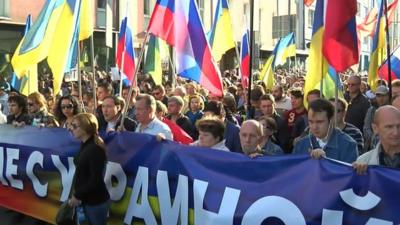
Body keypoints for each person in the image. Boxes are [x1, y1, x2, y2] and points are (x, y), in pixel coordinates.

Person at [68, 113, 110, 225]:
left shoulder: (95, 149)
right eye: (71, 125)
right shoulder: (85, 144)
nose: (71, 129)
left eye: (75, 126)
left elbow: (96, 180)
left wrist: (77, 195)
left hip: (95, 203)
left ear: (85, 128)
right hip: (87, 199)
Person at [293, 99, 358, 163]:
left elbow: (347, 172)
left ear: (331, 119)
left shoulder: (348, 145)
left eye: (319, 122)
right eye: (311, 122)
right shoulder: (300, 145)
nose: (314, 127)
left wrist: (326, 161)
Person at [353, 106, 400, 174]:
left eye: (399, 126)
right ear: (375, 128)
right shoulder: (363, 161)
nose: (396, 132)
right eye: (389, 127)